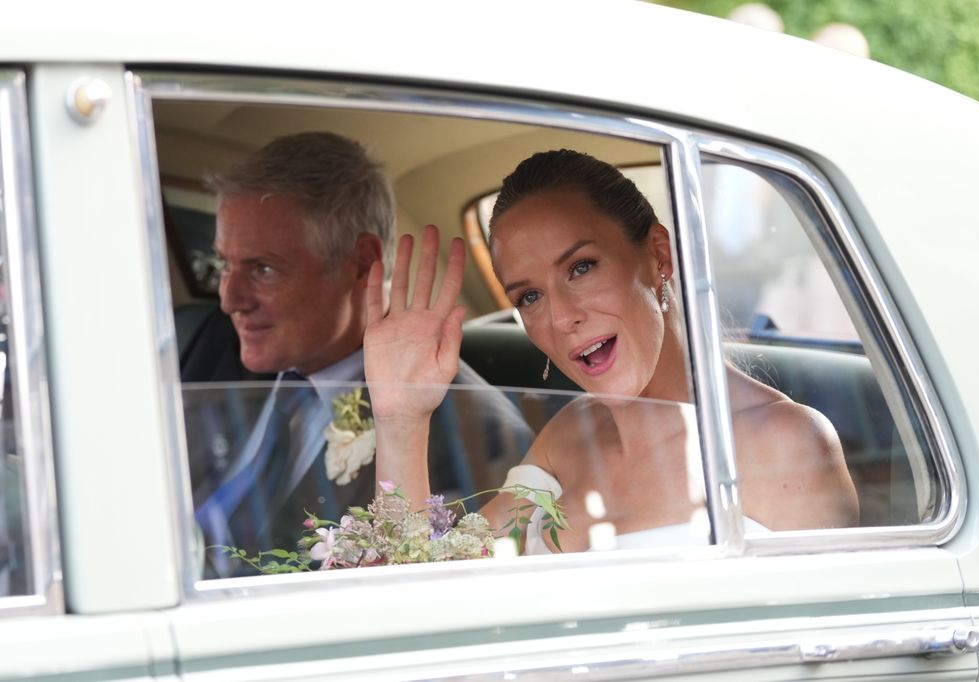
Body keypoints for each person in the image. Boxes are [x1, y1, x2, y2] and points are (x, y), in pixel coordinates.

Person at [364, 149, 859, 555]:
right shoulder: (567, 437)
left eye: (581, 268)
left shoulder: (786, 444)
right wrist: (401, 419)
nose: (560, 318)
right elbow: (434, 589)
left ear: (658, 255)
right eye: (529, 297)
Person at [184, 132, 532, 575]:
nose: (229, 299)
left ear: (362, 264)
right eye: (225, 265)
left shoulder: (472, 434)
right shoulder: (213, 351)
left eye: (263, 269)